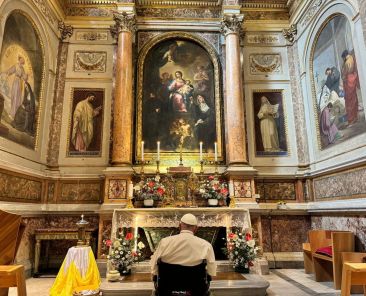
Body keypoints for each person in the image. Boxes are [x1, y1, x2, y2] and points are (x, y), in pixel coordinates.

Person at [150, 213, 217, 277]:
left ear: (179, 226)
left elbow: (154, 263)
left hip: (167, 284)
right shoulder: (206, 245)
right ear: (196, 228)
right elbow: (211, 270)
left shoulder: (164, 242)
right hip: (196, 284)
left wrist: (156, 274)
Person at [341, 50, 360, 125]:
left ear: (344, 56)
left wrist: (344, 77)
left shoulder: (347, 61)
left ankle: (351, 119)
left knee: (349, 101)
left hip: (349, 81)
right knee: (354, 99)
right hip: (352, 80)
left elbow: (346, 73)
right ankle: (355, 117)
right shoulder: (352, 59)